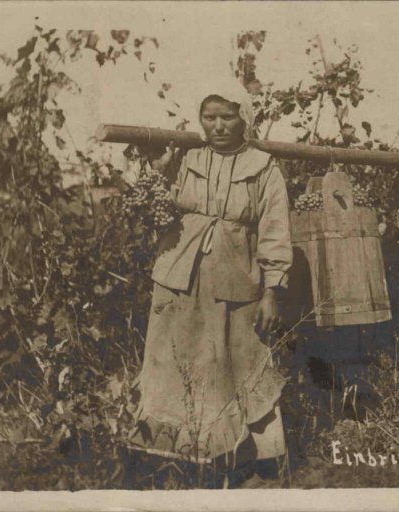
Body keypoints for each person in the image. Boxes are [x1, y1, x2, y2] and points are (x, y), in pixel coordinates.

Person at [127, 79, 292, 483]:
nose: (217, 125)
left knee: (238, 360)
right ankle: (172, 451)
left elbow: (275, 231)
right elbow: (152, 202)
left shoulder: (264, 168)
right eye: (209, 117)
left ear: (244, 119)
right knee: (173, 359)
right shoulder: (184, 158)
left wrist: (271, 291)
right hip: (179, 275)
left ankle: (250, 453)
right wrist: (159, 168)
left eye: (227, 116)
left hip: (235, 277)